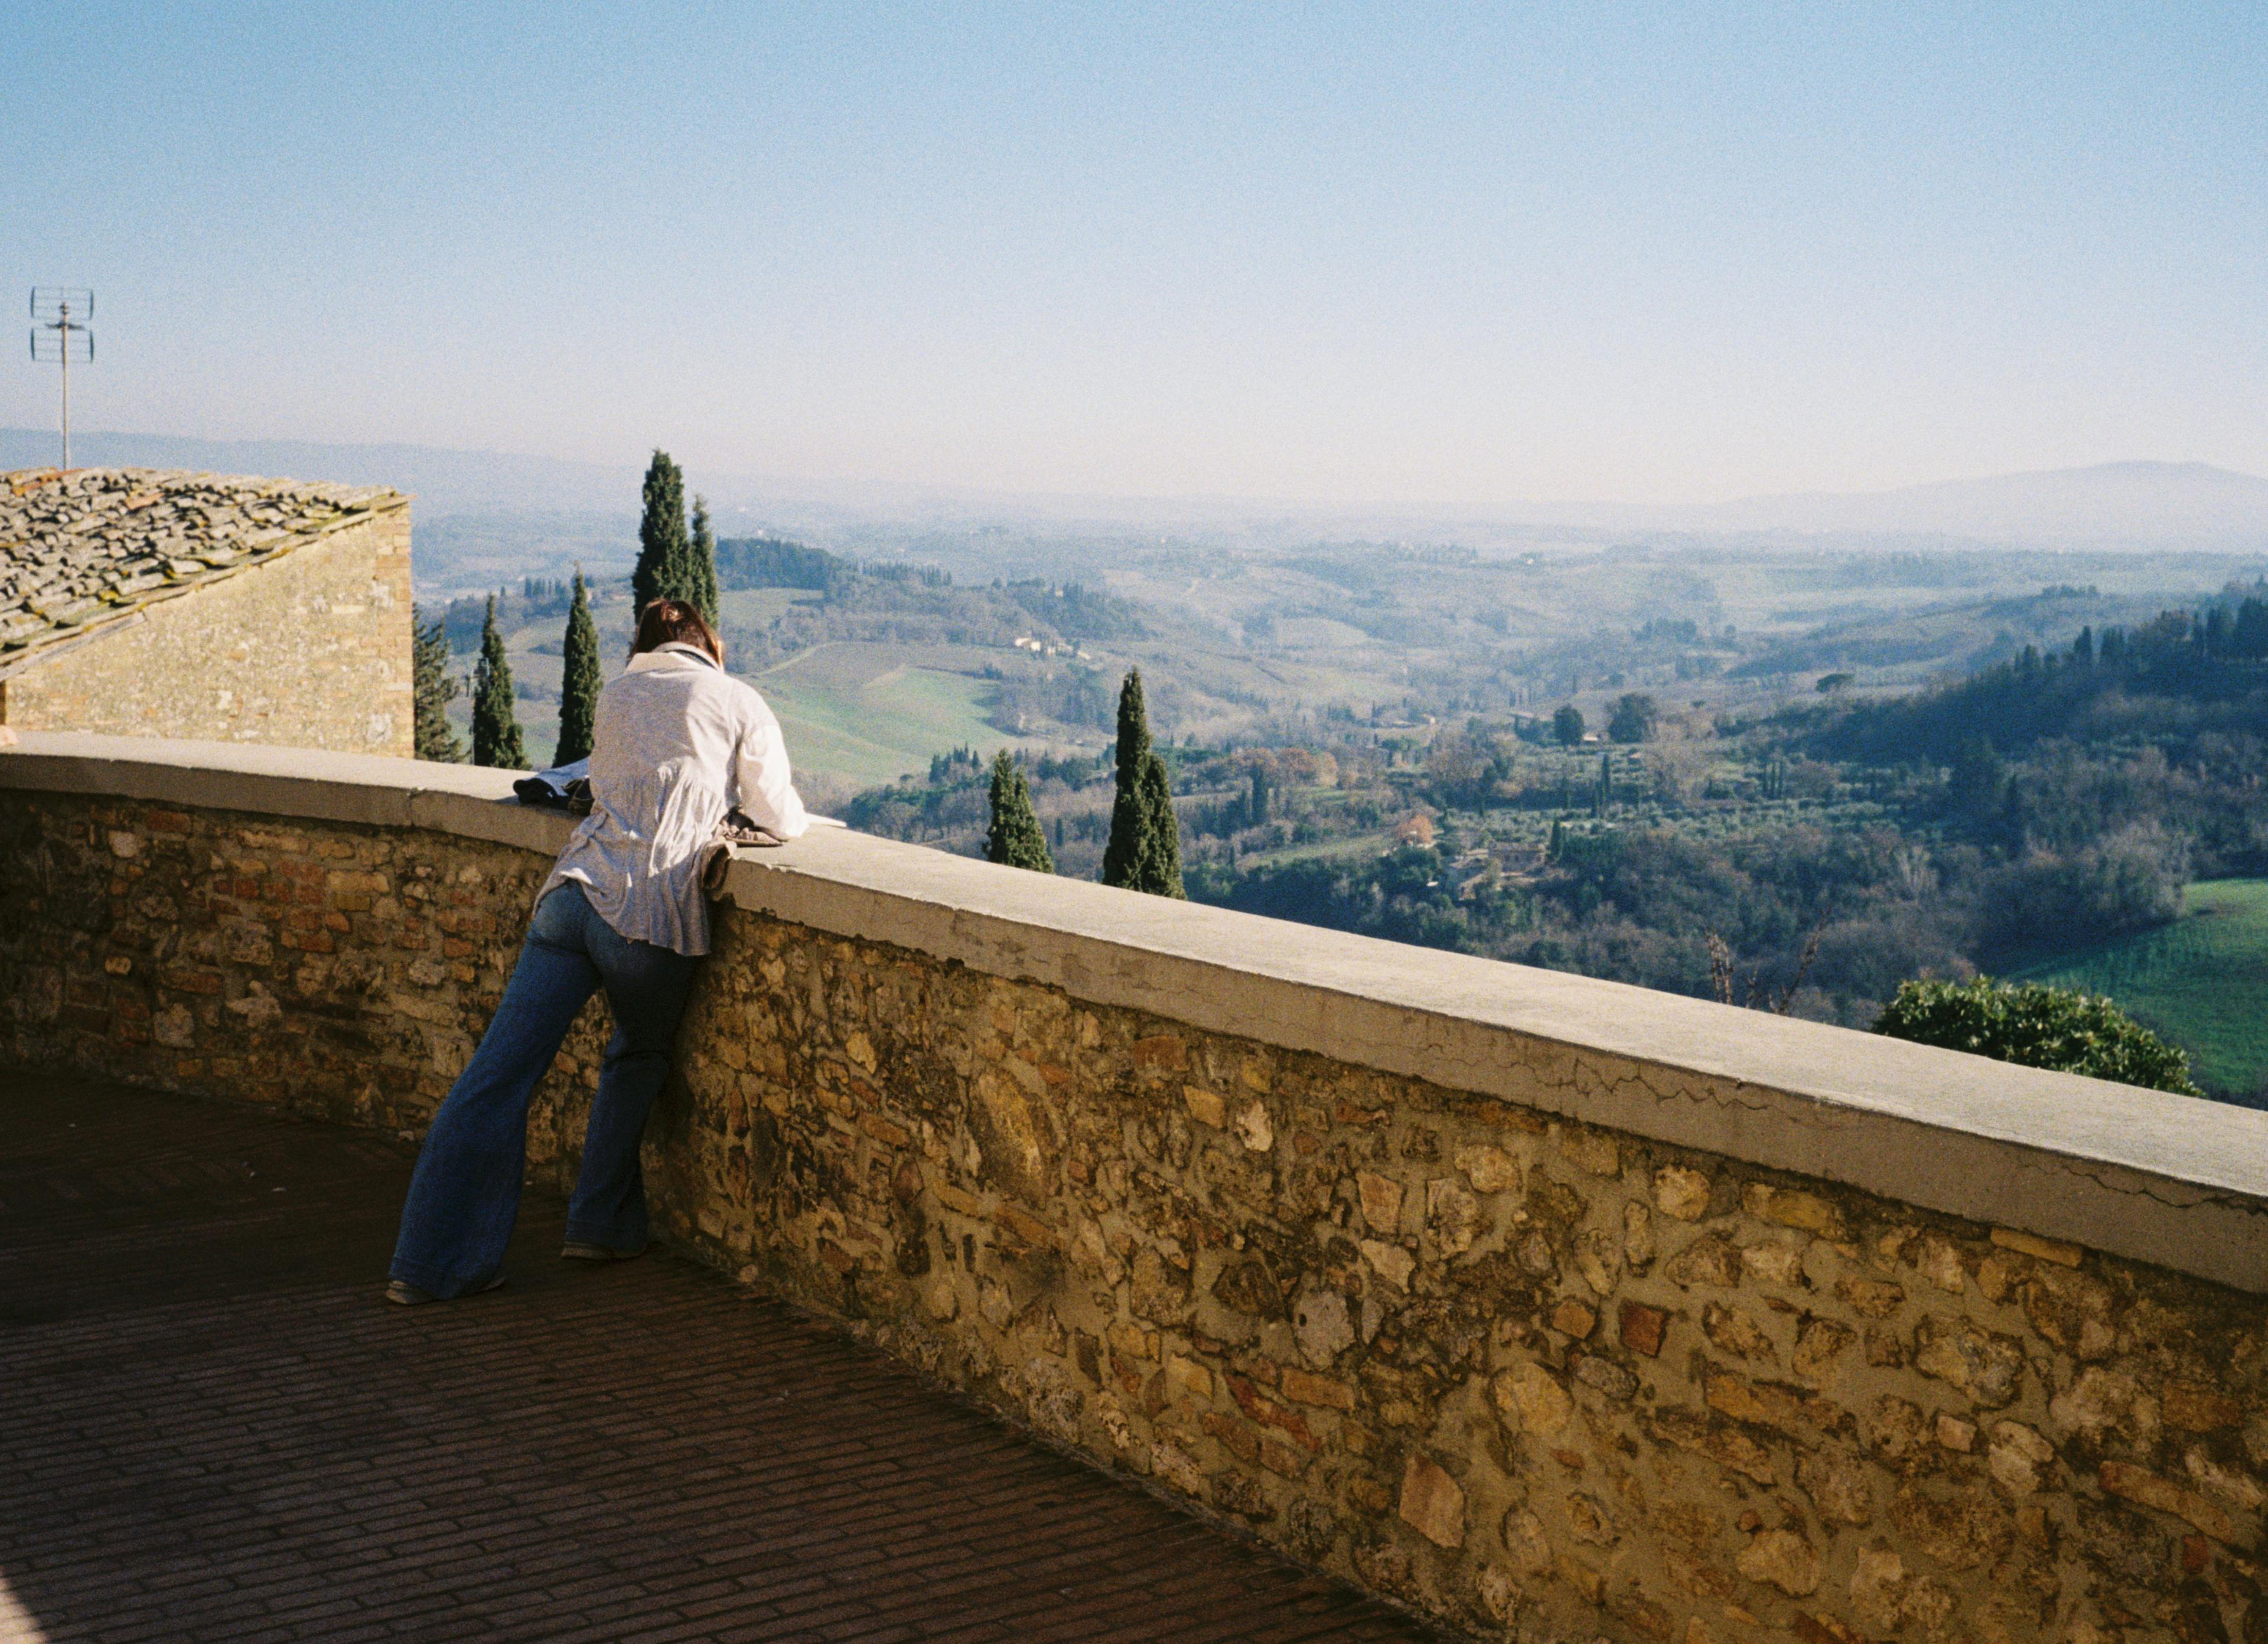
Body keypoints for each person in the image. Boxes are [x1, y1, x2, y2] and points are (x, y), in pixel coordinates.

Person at [386, 598, 809, 1304]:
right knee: (638, 1051)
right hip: (646, 913)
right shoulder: (737, 699)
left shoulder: (616, 694)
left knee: (495, 1078)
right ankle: (600, 1222)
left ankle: (429, 1266)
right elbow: (780, 814)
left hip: (571, 898)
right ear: (708, 643)